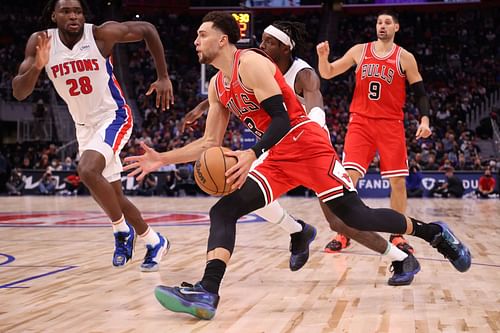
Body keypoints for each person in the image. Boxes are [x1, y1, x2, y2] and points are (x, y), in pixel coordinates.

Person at [124, 12, 470, 320]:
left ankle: (434, 234)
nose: (195, 40)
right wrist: (162, 159)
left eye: (202, 34)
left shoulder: (252, 64)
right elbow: (209, 144)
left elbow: (281, 118)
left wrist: (251, 153)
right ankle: (207, 291)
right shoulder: (217, 85)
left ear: (222, 39)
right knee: (224, 211)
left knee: (356, 217)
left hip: (308, 146)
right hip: (277, 157)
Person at [181, 20, 422, 284]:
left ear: (285, 48)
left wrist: (314, 127)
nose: (261, 45)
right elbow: (231, 87)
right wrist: (204, 106)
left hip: (310, 146)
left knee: (341, 221)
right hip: (277, 146)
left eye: (269, 42)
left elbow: (315, 98)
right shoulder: (254, 67)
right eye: (261, 40)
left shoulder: (302, 73)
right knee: (235, 195)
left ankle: (398, 256)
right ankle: (297, 231)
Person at [12, 0, 173, 272]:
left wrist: (163, 76)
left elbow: (147, 29)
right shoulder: (41, 41)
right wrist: (37, 67)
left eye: (77, 11)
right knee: (113, 198)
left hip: (113, 116)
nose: (73, 16)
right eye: (66, 11)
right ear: (54, 15)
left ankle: (122, 232)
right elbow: (19, 92)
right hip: (83, 125)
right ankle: (154, 240)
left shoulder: (100, 34)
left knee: (86, 170)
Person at [317, 10, 432, 253]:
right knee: (348, 180)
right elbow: (327, 73)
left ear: (396, 28)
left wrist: (424, 119)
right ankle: (344, 232)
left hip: (391, 124)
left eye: (387, 22)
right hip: (360, 122)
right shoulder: (360, 50)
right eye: (379, 22)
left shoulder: (405, 57)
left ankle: (398, 235)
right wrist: (322, 58)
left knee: (398, 182)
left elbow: (420, 92)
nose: (382, 26)